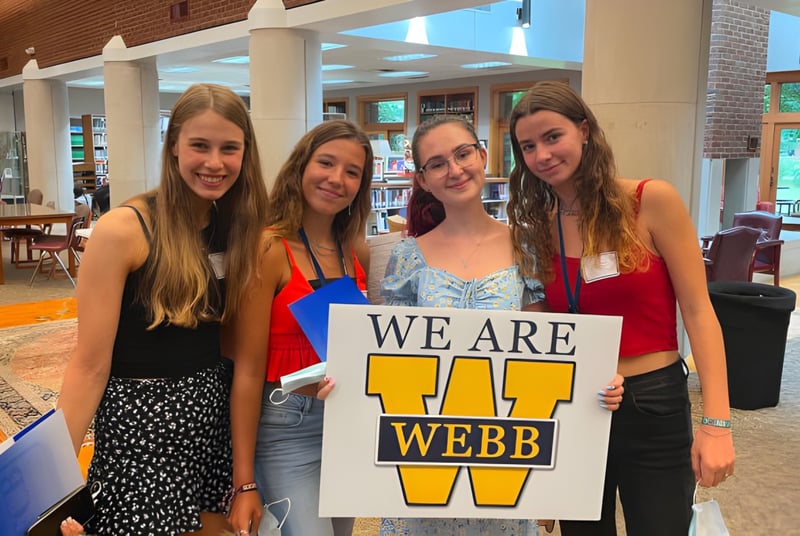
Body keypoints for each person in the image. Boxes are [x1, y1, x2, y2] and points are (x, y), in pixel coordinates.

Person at [506, 80, 736, 535]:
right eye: (528, 146)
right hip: (574, 403)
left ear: (585, 130)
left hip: (652, 400)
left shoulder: (651, 201)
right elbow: (542, 333)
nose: (542, 155)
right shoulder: (535, 226)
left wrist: (717, 423)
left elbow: (698, 310)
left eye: (553, 137)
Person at [376, 115, 624, 536]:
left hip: (507, 446)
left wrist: (593, 381)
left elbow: (545, 355)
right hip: (430, 446)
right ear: (422, 179)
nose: (454, 170)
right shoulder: (407, 259)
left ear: (483, 155)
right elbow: (392, 361)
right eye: (437, 163)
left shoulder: (527, 246)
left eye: (462, 153)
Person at [57, 83, 270, 535]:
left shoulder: (235, 227)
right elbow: (88, 366)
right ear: (173, 145)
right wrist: (52, 480)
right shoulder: (124, 230)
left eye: (229, 148)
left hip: (211, 425)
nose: (215, 162)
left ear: (245, 154)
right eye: (199, 145)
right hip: (143, 436)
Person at [228, 119, 373, 536]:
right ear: (300, 167)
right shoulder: (269, 247)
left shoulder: (354, 249)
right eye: (326, 163)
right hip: (286, 427)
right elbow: (248, 370)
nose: (336, 179)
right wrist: (244, 483)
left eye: (352, 172)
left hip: (344, 423)